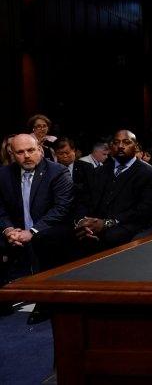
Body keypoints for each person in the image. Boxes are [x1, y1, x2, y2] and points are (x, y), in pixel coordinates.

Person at [0, 134, 73, 322]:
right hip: (16, 229)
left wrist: (31, 232)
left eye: (30, 150)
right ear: (12, 154)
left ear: (39, 149)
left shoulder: (57, 172)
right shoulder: (4, 174)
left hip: (50, 228)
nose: (26, 156)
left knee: (44, 239)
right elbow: (0, 209)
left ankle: (45, 302)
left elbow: (61, 209)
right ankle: (3, 299)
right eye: (20, 152)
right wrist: (9, 230)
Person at [73, 130, 152, 252]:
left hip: (128, 224)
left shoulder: (149, 174)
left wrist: (107, 223)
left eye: (126, 142)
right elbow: (84, 200)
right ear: (111, 147)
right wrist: (83, 222)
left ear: (136, 146)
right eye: (116, 142)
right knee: (71, 234)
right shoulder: (99, 172)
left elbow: (144, 210)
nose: (120, 146)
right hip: (97, 223)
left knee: (110, 237)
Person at [52, 137, 94, 203]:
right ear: (55, 154)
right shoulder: (52, 169)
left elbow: (90, 191)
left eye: (67, 152)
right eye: (60, 154)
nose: (65, 156)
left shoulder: (86, 167)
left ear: (73, 150)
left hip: (81, 207)